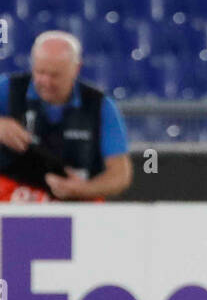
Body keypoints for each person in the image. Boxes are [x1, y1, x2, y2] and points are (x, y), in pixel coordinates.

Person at [0, 31, 132, 202]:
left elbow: (120, 175)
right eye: (40, 72)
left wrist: (83, 189)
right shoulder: (7, 89)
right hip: (13, 197)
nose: (45, 81)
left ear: (76, 69)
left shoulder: (100, 106)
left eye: (55, 75)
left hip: (77, 201)